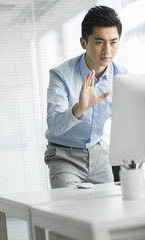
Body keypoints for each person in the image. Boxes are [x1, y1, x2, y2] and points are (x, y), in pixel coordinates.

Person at [44, 5, 127, 188]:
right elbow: (53, 126)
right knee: (71, 212)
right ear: (83, 43)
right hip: (64, 156)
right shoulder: (61, 75)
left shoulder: (121, 76)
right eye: (99, 42)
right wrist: (79, 108)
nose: (107, 51)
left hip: (99, 155)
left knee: (109, 210)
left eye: (113, 42)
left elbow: (129, 120)